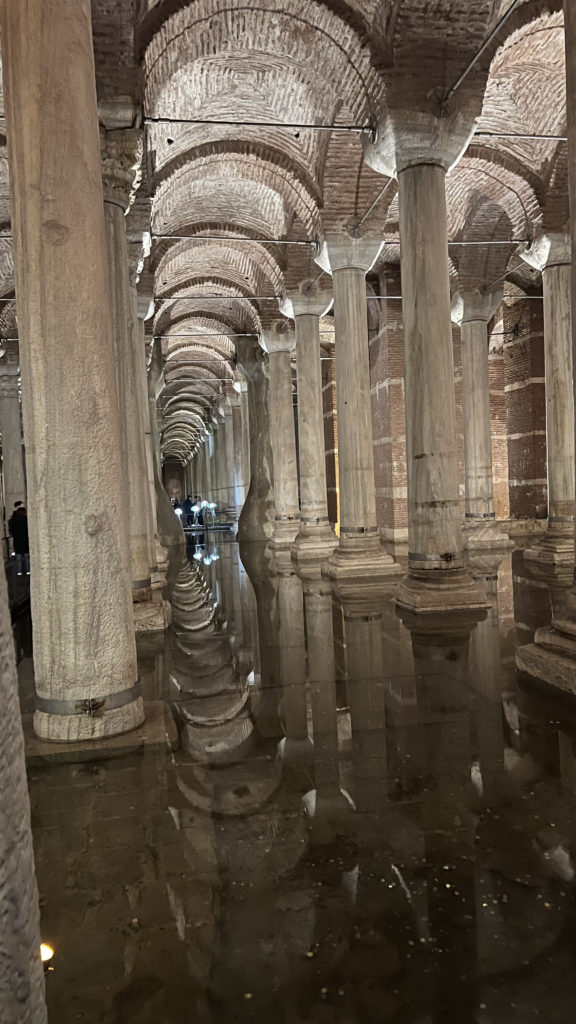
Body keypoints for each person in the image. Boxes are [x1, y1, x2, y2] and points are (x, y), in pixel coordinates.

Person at [8, 502, 29, 576]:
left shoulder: (13, 520)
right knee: (27, 556)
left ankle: (19, 571)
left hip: (17, 540)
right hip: (25, 540)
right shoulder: (26, 519)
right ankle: (28, 571)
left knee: (18, 556)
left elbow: (11, 531)